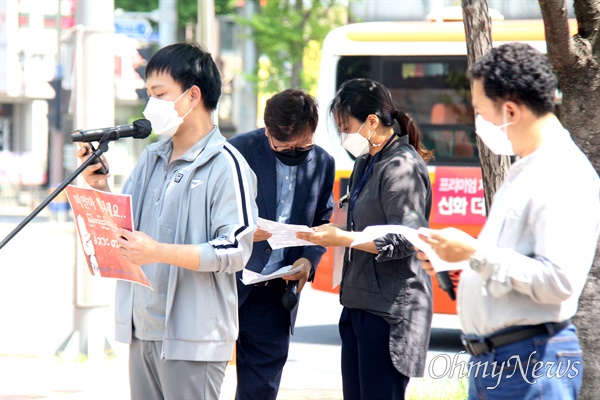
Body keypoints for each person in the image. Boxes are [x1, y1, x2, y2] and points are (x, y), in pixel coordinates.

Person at [416, 43, 600, 400]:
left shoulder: (561, 173)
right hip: (498, 360)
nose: (478, 122)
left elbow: (557, 282)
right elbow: (509, 261)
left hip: (531, 363)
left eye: (481, 111)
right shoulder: (525, 167)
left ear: (511, 110)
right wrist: (457, 259)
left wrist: (474, 254)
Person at [77, 42, 258, 400]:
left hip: (194, 340)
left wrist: (159, 251)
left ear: (193, 96)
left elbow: (235, 249)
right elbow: (125, 232)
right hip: (141, 330)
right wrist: (100, 185)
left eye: (159, 94)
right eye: (148, 94)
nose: (150, 105)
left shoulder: (226, 164)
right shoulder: (151, 158)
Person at [297, 78, 434, 400]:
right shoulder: (366, 162)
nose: (344, 136)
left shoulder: (401, 166)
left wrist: (343, 239)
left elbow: (405, 239)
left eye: (346, 126)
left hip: (389, 311)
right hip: (359, 302)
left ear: (372, 121)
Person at [228, 89, 335, 400]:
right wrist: (242, 230)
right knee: (202, 377)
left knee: (261, 387)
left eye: (303, 145)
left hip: (276, 292)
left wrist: (308, 260)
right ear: (267, 131)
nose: (294, 152)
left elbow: (321, 219)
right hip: (226, 281)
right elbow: (209, 213)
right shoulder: (236, 151)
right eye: (283, 147)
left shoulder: (323, 163)